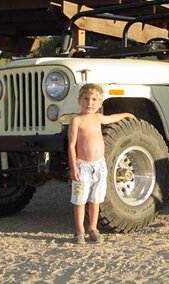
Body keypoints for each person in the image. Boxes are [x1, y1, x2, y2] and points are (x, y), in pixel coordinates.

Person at [68, 84, 135, 244]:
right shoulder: (76, 120)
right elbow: (71, 145)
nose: (89, 103)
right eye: (86, 99)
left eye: (94, 99)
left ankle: (93, 228)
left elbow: (112, 118)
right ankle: (79, 231)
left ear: (100, 103)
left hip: (99, 166)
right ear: (79, 100)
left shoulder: (98, 118)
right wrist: (73, 167)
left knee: (95, 199)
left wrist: (126, 114)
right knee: (80, 200)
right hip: (82, 167)